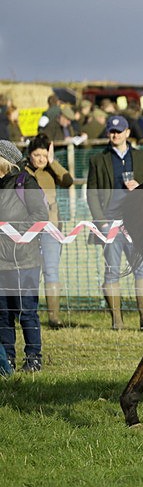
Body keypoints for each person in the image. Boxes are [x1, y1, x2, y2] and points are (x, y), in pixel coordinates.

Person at [86, 116, 143, 330]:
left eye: (119, 131)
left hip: (137, 224)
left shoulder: (141, 157)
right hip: (110, 226)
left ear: (127, 132)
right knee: (112, 271)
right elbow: (92, 194)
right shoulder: (98, 160)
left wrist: (140, 189)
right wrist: (102, 222)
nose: (115, 134)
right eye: (111, 131)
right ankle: (117, 321)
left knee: (142, 271)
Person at [0, 140, 49, 372]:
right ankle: (7, 359)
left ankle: (33, 358)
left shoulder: (25, 183)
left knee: (26, 312)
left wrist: (14, 232)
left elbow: (41, 215)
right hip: (0, 262)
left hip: (24, 260)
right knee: (3, 314)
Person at [25, 134, 73, 328]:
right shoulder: (22, 173)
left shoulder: (51, 171)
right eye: (37, 155)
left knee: (51, 272)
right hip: (27, 231)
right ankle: (28, 314)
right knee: (29, 273)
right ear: (30, 155)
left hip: (51, 229)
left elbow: (68, 181)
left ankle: (54, 317)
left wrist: (53, 162)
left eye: (44, 155)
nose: (40, 159)